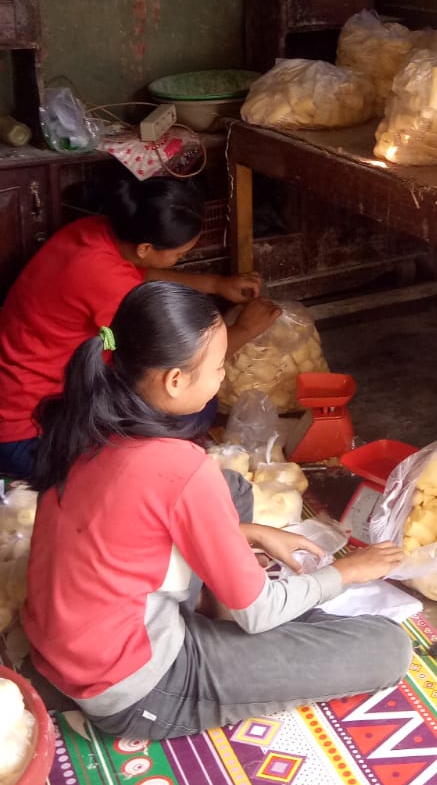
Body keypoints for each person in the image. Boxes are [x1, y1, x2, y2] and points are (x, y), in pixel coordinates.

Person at [22, 281, 411, 738]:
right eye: (220, 365)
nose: (223, 377)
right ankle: (231, 620)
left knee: (230, 488)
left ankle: (226, 609)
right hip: (135, 686)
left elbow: (130, 525)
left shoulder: (88, 426)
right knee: (387, 647)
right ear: (175, 380)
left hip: (65, 648)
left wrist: (249, 532)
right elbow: (259, 613)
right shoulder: (178, 467)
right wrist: (347, 572)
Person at [0, 171, 277, 479]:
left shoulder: (95, 231)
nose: (181, 258)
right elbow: (179, 367)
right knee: (194, 408)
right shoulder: (103, 280)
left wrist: (215, 284)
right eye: (180, 254)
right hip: (28, 434)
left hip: (20, 398)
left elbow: (138, 275)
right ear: (145, 248)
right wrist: (245, 330)